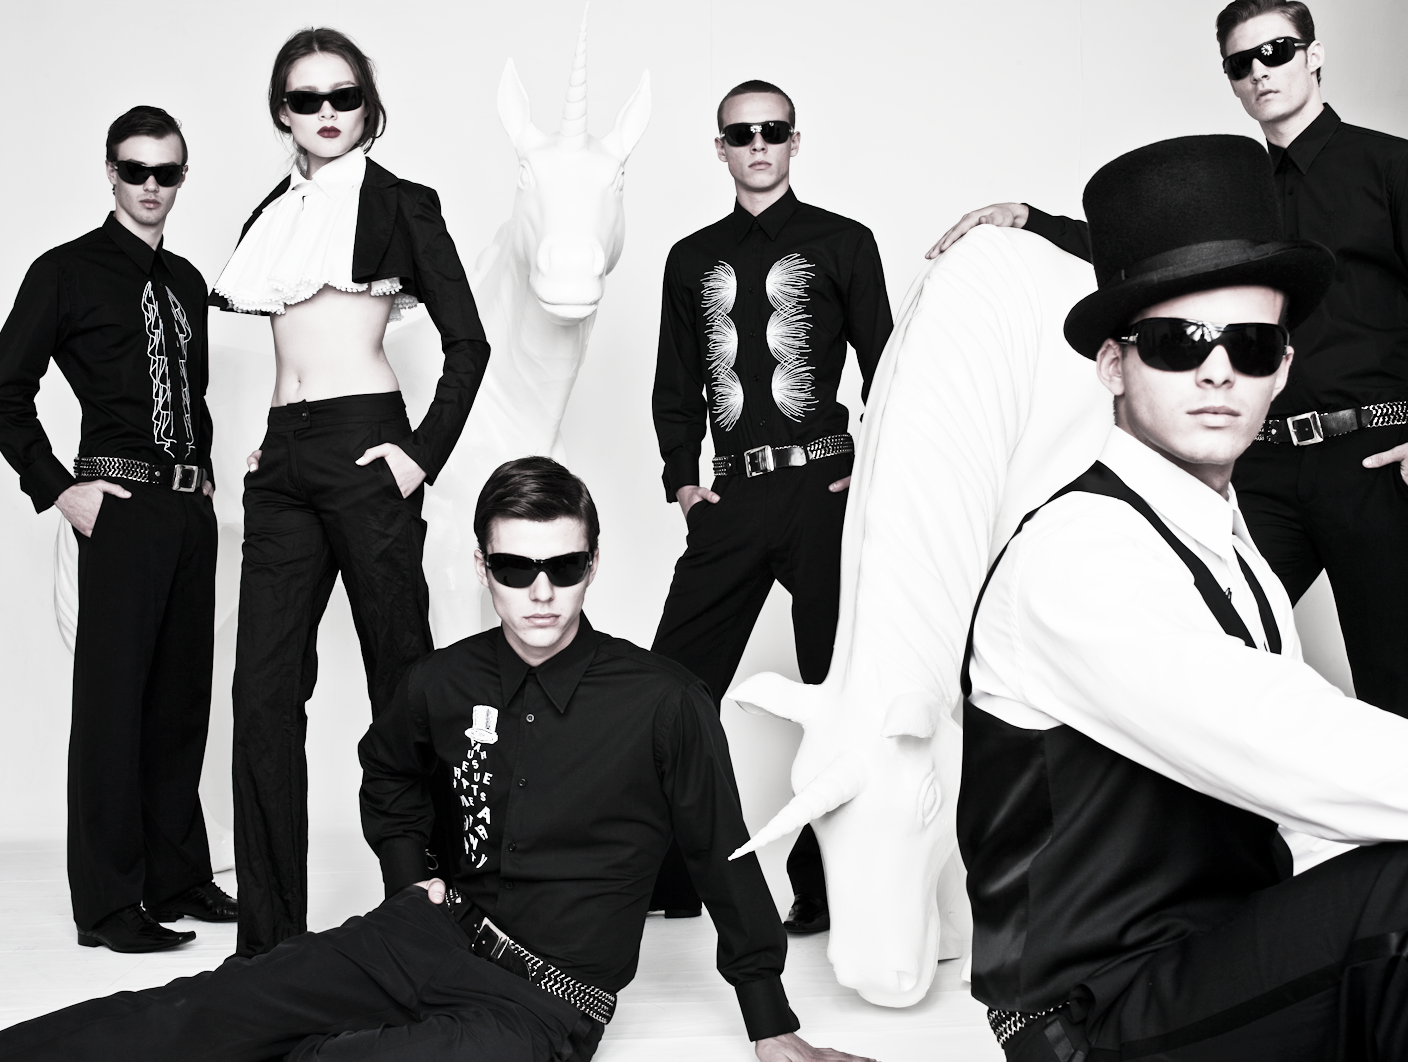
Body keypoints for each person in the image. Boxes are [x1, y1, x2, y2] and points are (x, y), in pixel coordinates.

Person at [0, 457, 876, 1062]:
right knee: (200, 1010)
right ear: (484, 566)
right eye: (516, 567)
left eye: (565, 566)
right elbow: (387, 773)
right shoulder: (440, 682)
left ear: (594, 563)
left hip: (539, 1003)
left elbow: (723, 855)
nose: (541, 591)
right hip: (419, 935)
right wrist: (406, 876)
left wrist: (770, 1020)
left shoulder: (665, 702)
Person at [958, 133, 1408, 1061]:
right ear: (1113, 365)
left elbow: (1296, 813)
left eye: (1251, 345)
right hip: (1093, 1021)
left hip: (1217, 975)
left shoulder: (1231, 547)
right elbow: (1287, 742)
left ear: (1283, 369)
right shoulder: (1077, 554)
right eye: (1176, 343)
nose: (1217, 372)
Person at [931, 0, 1408, 718]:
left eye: (1276, 52)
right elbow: (1156, 262)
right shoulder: (1240, 192)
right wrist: (1029, 220)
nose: (1260, 72)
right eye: (1240, 64)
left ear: (1313, 56)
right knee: (1207, 658)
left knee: (1396, 679)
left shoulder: (1390, 165)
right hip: (1264, 462)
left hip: (1370, 457)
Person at [209, 27, 490, 957]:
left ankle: (428, 912)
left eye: (343, 96)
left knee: (401, 682)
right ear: (282, 113)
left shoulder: (403, 203)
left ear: (368, 105)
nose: (327, 113)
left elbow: (469, 341)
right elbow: (289, 339)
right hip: (283, 460)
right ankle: (268, 943)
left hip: (367, 446)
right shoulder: (272, 213)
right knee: (261, 694)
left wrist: (420, 455)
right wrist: (269, 441)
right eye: (306, 99)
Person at [650, 80, 893, 933]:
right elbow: (676, 380)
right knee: (673, 686)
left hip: (823, 491)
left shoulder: (843, 242)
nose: (758, 143)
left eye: (773, 130)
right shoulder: (690, 258)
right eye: (741, 132)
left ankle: (828, 889)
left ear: (795, 140)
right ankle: (672, 877)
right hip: (733, 494)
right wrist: (683, 480)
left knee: (837, 686)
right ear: (719, 147)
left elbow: (889, 368)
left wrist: (873, 470)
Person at [0, 106, 236, 954]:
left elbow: (190, 399)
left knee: (180, 703)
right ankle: (105, 908)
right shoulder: (65, 271)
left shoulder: (188, 283)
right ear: (110, 172)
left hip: (190, 513)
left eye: (166, 173)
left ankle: (177, 877)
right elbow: (5, 389)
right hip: (120, 510)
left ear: (182, 178)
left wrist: (209, 482)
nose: (150, 186)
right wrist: (61, 490)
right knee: (112, 709)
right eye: (135, 170)